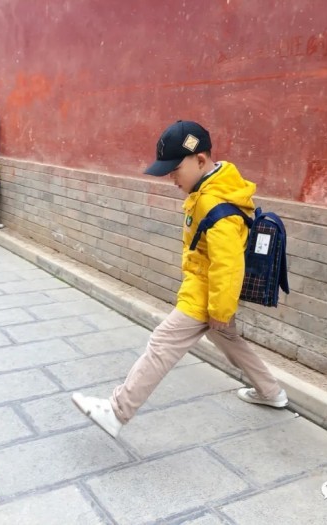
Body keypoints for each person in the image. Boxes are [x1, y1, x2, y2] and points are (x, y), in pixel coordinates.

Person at [72, 121, 288, 438]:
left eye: (175, 170)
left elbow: (228, 266)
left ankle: (117, 411)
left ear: (200, 160)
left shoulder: (216, 204)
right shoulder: (213, 189)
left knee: (162, 343)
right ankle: (271, 393)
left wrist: (219, 311)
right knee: (228, 340)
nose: (172, 178)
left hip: (204, 295)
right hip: (208, 292)